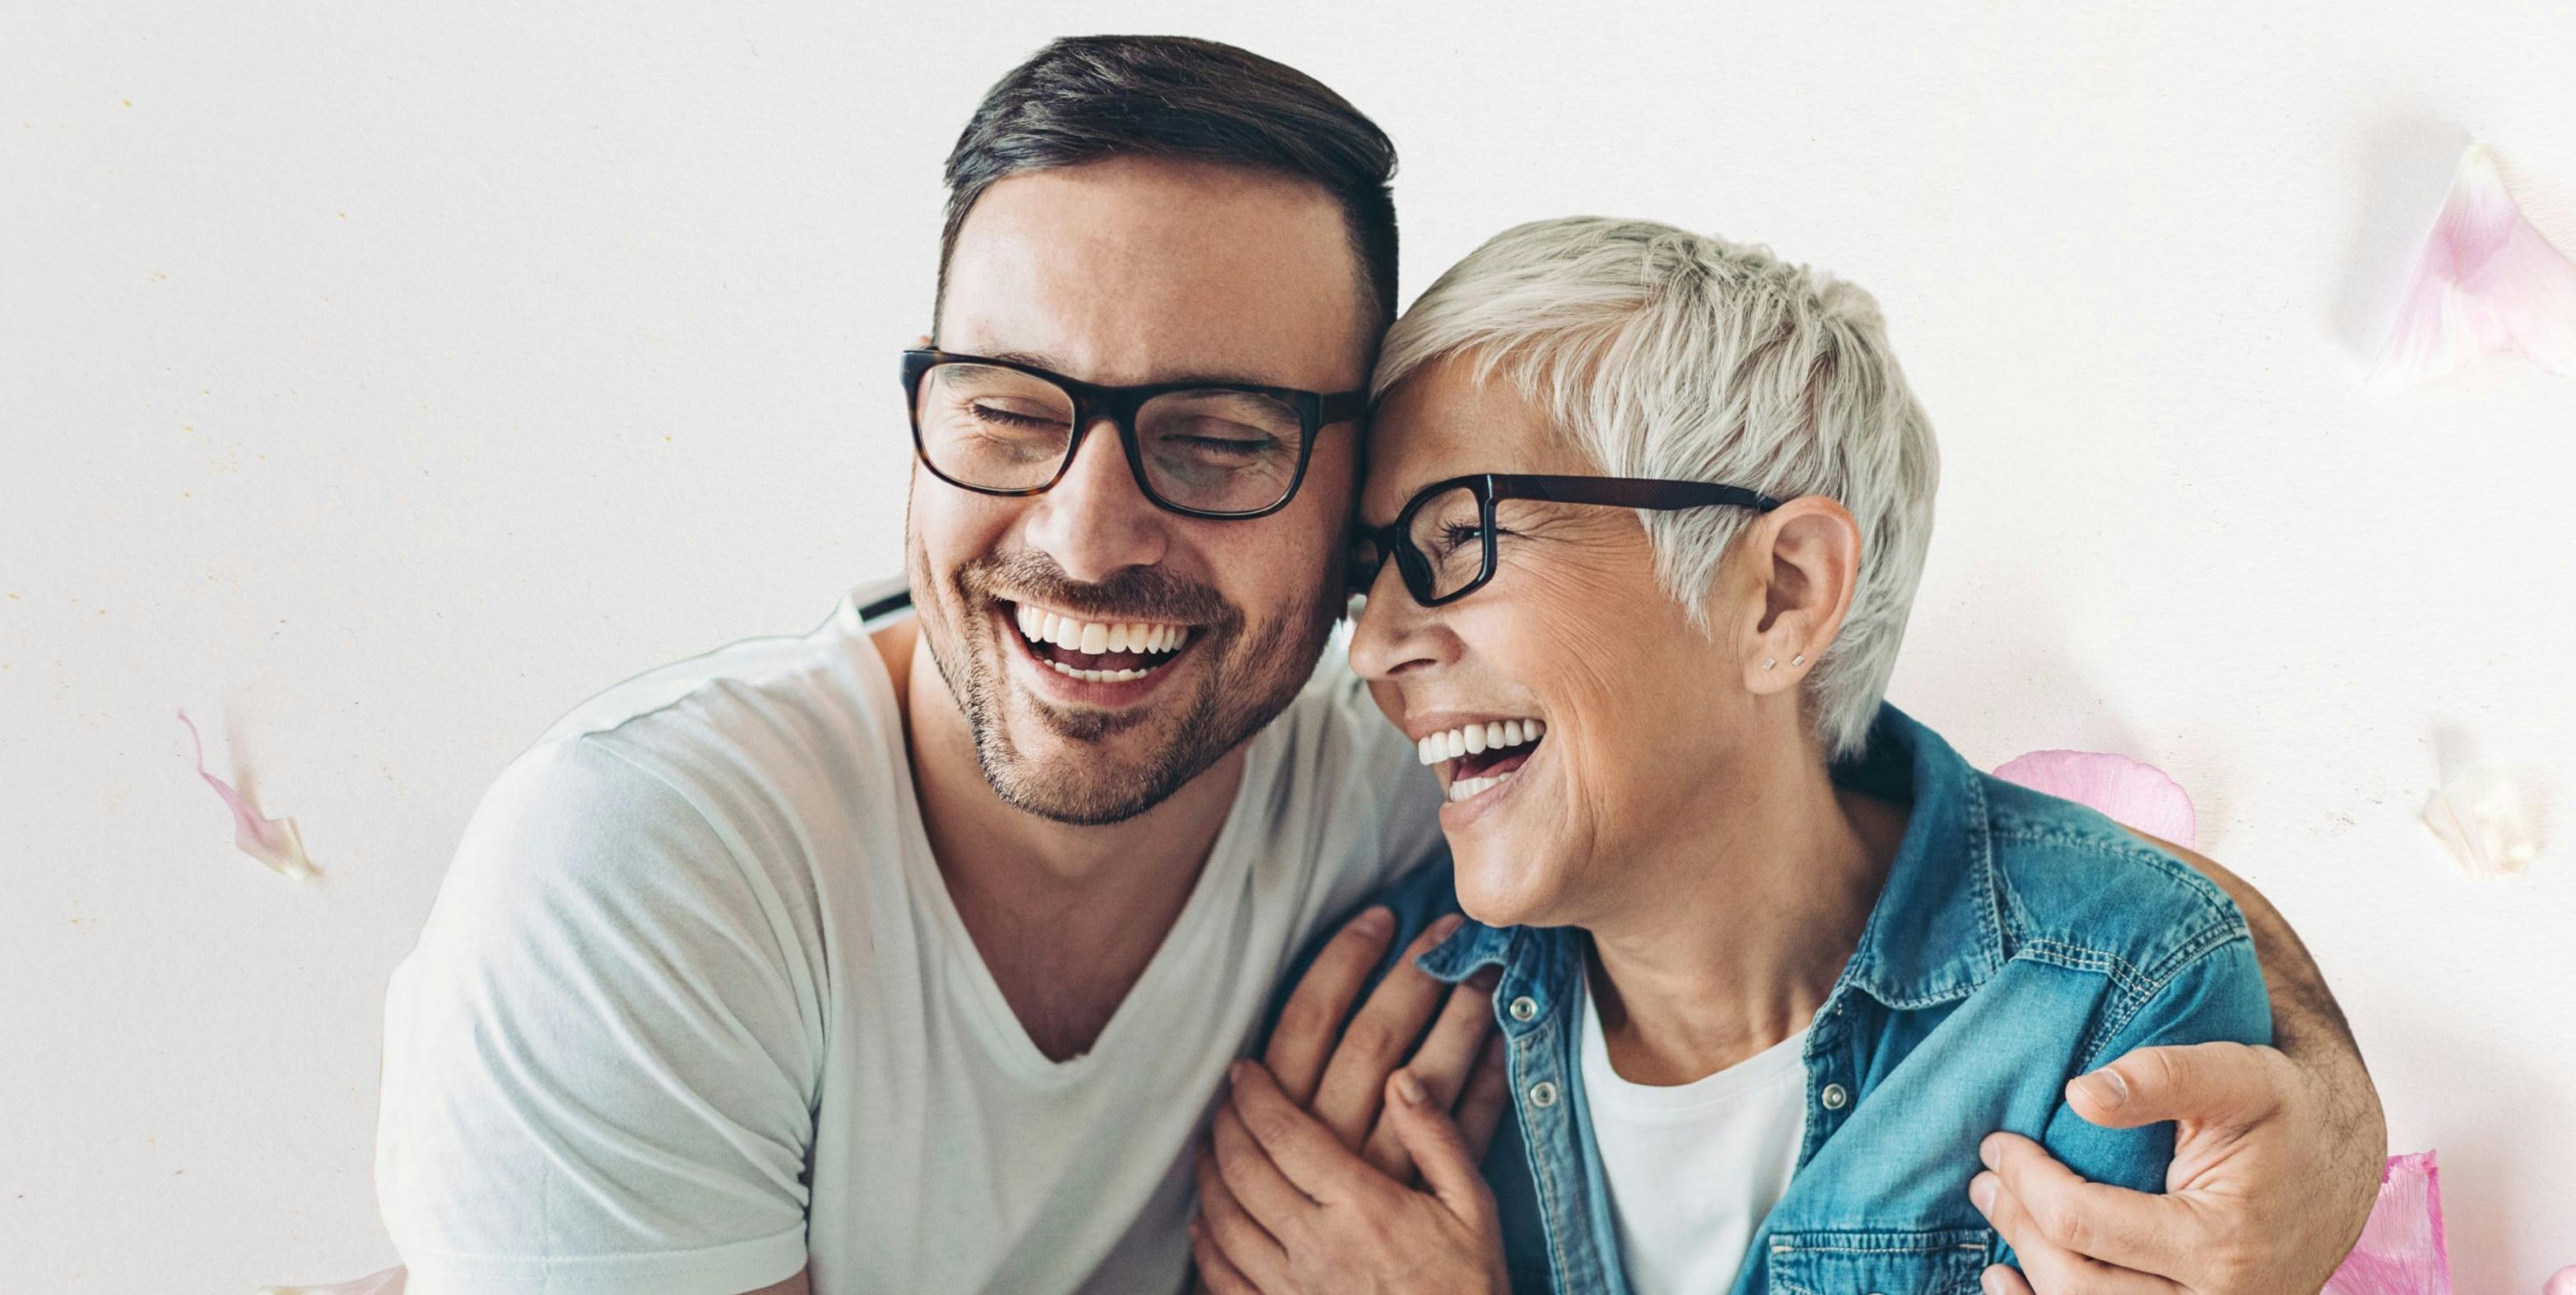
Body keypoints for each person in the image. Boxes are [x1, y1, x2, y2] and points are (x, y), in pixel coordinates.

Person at [371, 36, 2383, 1295]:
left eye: (1222, 438)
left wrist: (2319, 1137)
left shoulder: (1410, 823)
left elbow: (2053, 907)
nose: (1084, 533)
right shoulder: (650, 868)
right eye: (1004, 407)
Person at [1193, 220, 2378, 1295]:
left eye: (1456, 537)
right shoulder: (1385, 1026)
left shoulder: (2104, 1005)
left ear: (1779, 595)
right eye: (1370, 576)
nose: (1380, 646)